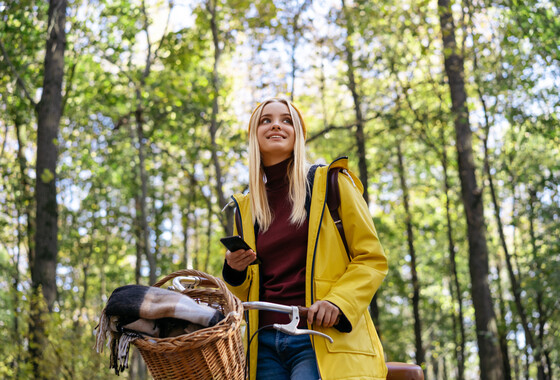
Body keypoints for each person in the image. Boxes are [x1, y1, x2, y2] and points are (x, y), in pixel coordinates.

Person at [222, 97, 388, 380]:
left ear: (298, 134)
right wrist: (234, 271)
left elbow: (371, 259)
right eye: (266, 120)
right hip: (262, 346)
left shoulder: (333, 183)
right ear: (254, 136)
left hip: (319, 338)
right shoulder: (247, 206)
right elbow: (248, 292)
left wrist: (338, 303)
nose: (276, 124)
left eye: (287, 120)